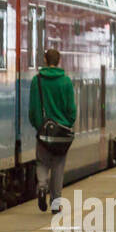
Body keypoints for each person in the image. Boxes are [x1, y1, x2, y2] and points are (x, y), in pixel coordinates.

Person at [28, 47, 77, 214]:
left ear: (45, 61)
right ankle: (56, 204)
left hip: (43, 131)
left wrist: (38, 125)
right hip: (61, 133)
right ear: (59, 61)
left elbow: (33, 110)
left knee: (42, 162)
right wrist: (67, 124)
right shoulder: (66, 82)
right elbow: (71, 110)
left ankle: (42, 186)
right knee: (58, 166)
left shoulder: (37, 81)